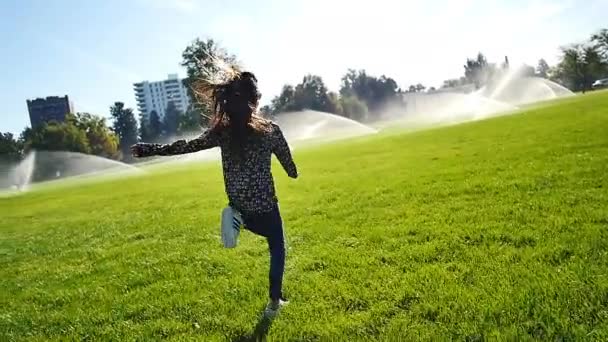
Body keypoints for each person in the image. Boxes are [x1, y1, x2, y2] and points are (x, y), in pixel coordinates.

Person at [131, 70, 298, 313]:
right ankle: (274, 302)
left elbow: (187, 146)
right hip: (265, 206)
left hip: (240, 204)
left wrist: (150, 149)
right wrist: (293, 171)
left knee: (245, 214)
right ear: (256, 100)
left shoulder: (223, 132)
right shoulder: (271, 130)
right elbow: (290, 167)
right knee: (277, 246)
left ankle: (237, 218)